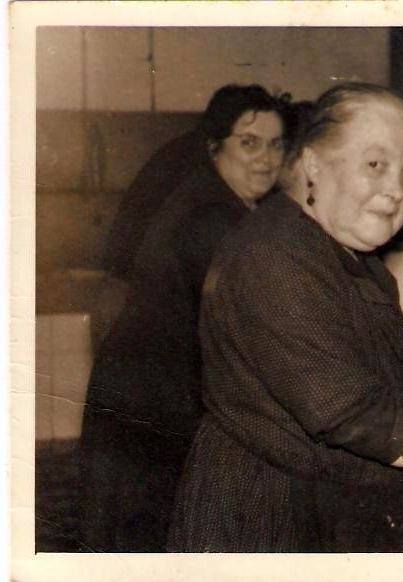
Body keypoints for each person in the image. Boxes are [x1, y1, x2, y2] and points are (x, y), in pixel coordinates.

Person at [166, 82, 403, 553]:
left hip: (320, 509)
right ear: (313, 165)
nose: (396, 190)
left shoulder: (348, 255)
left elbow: (388, 389)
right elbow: (350, 411)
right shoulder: (273, 257)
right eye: (375, 165)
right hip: (265, 518)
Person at [78, 84, 296, 552]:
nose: (266, 159)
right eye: (249, 143)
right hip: (153, 405)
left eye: (276, 144)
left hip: (147, 396)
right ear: (216, 147)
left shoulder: (219, 200)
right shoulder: (212, 219)